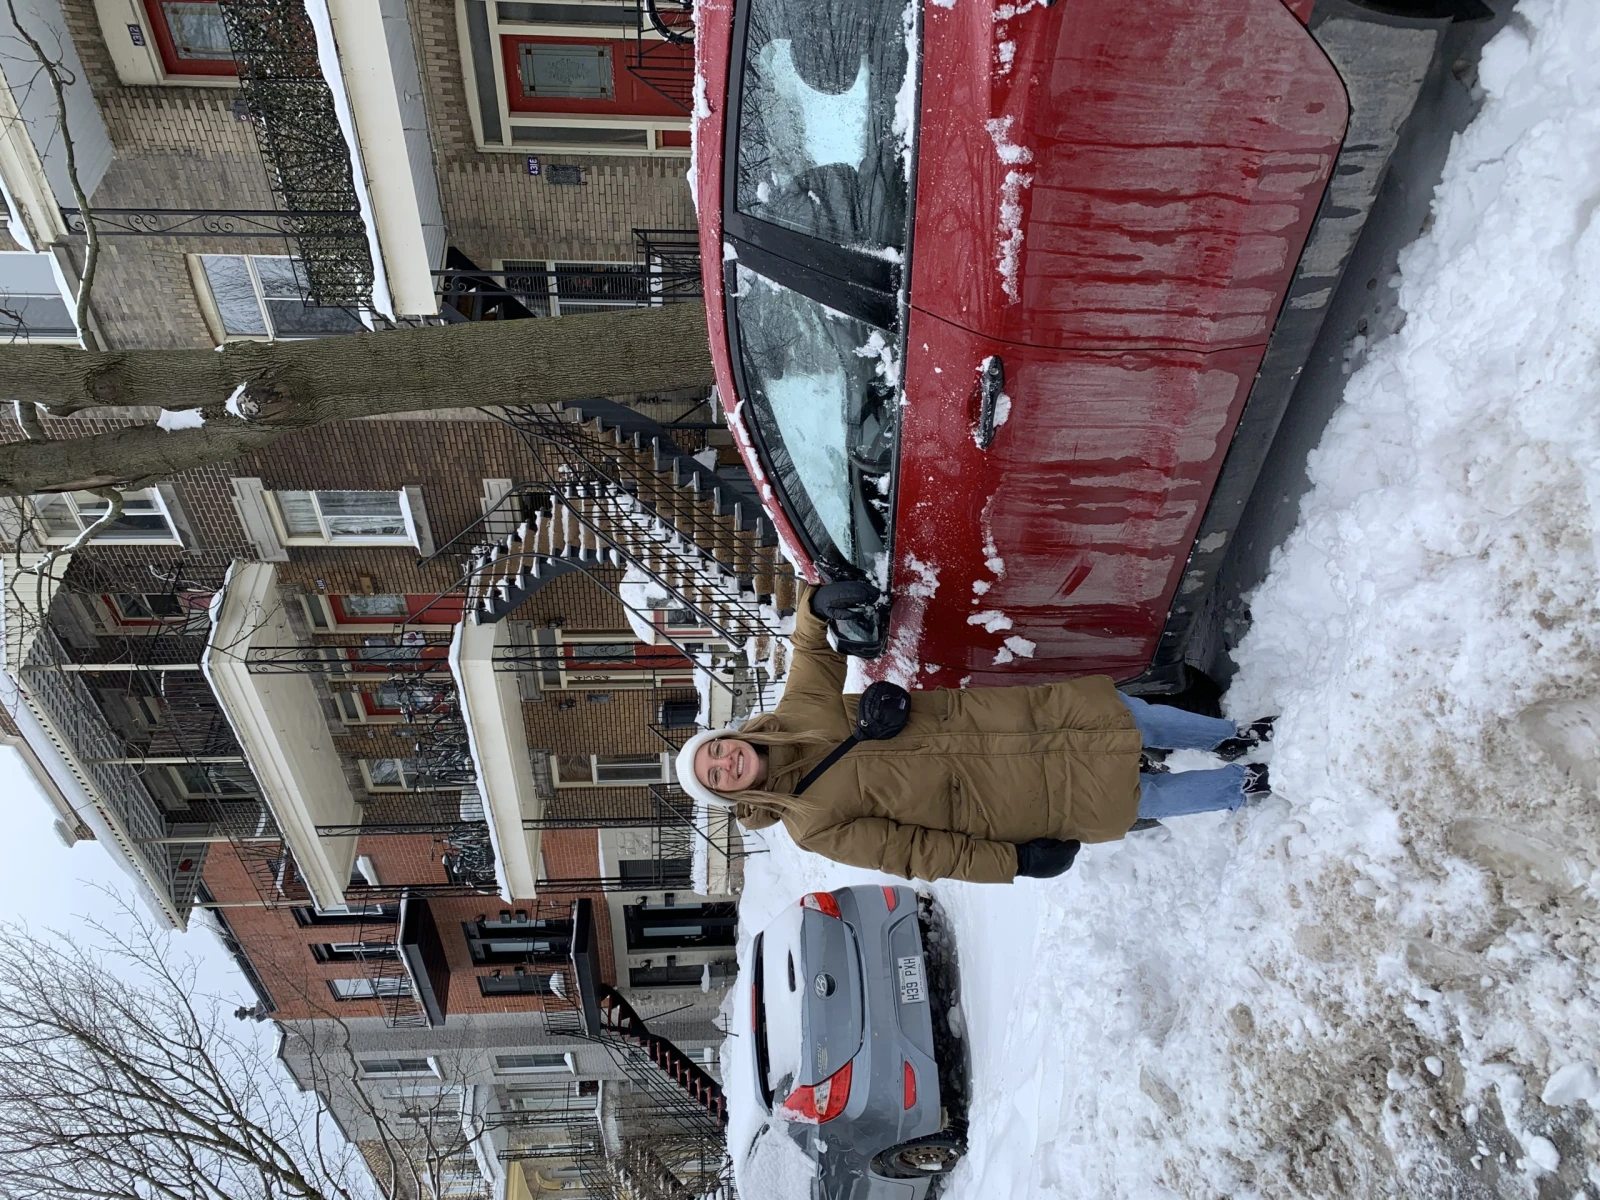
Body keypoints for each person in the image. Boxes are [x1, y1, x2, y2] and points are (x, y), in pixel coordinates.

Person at [673, 583, 1275, 884]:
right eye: (717, 777)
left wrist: (817, 605)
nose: (727, 762)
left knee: (1123, 716)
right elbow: (918, 854)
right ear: (732, 795)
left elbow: (810, 649)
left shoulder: (794, 718)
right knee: (1139, 795)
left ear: (725, 738)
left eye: (716, 751)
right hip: (1007, 798)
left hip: (1007, 720)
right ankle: (1242, 784)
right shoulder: (813, 825)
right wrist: (1012, 861)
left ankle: (1231, 735)